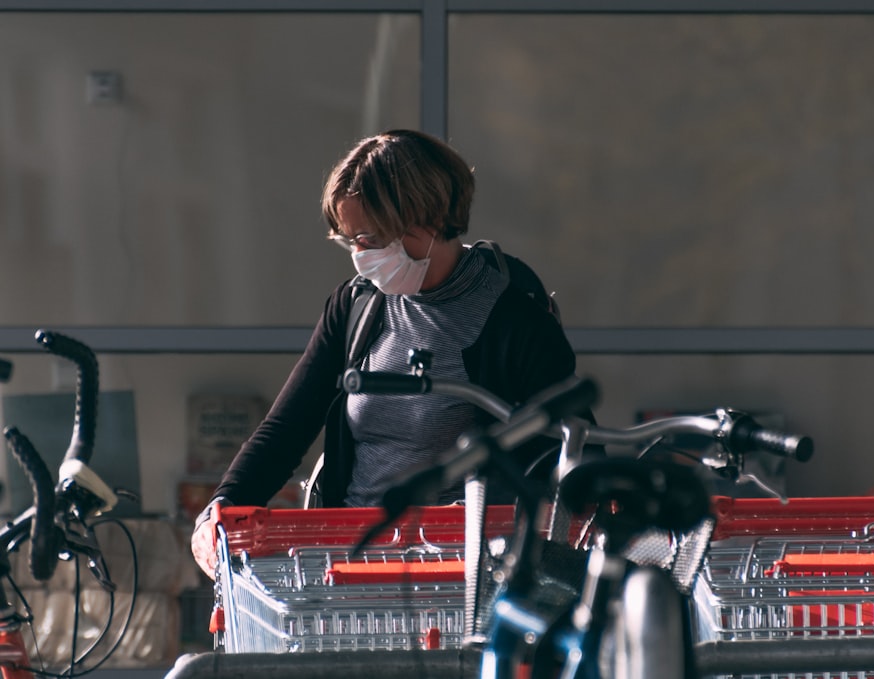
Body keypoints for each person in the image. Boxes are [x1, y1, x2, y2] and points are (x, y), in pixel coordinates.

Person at [190, 129, 586, 577]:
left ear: (428, 220)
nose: (359, 254)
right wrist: (223, 507)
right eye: (349, 240)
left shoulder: (514, 320)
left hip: (466, 572)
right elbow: (286, 427)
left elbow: (569, 454)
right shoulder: (357, 304)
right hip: (352, 562)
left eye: (370, 238)